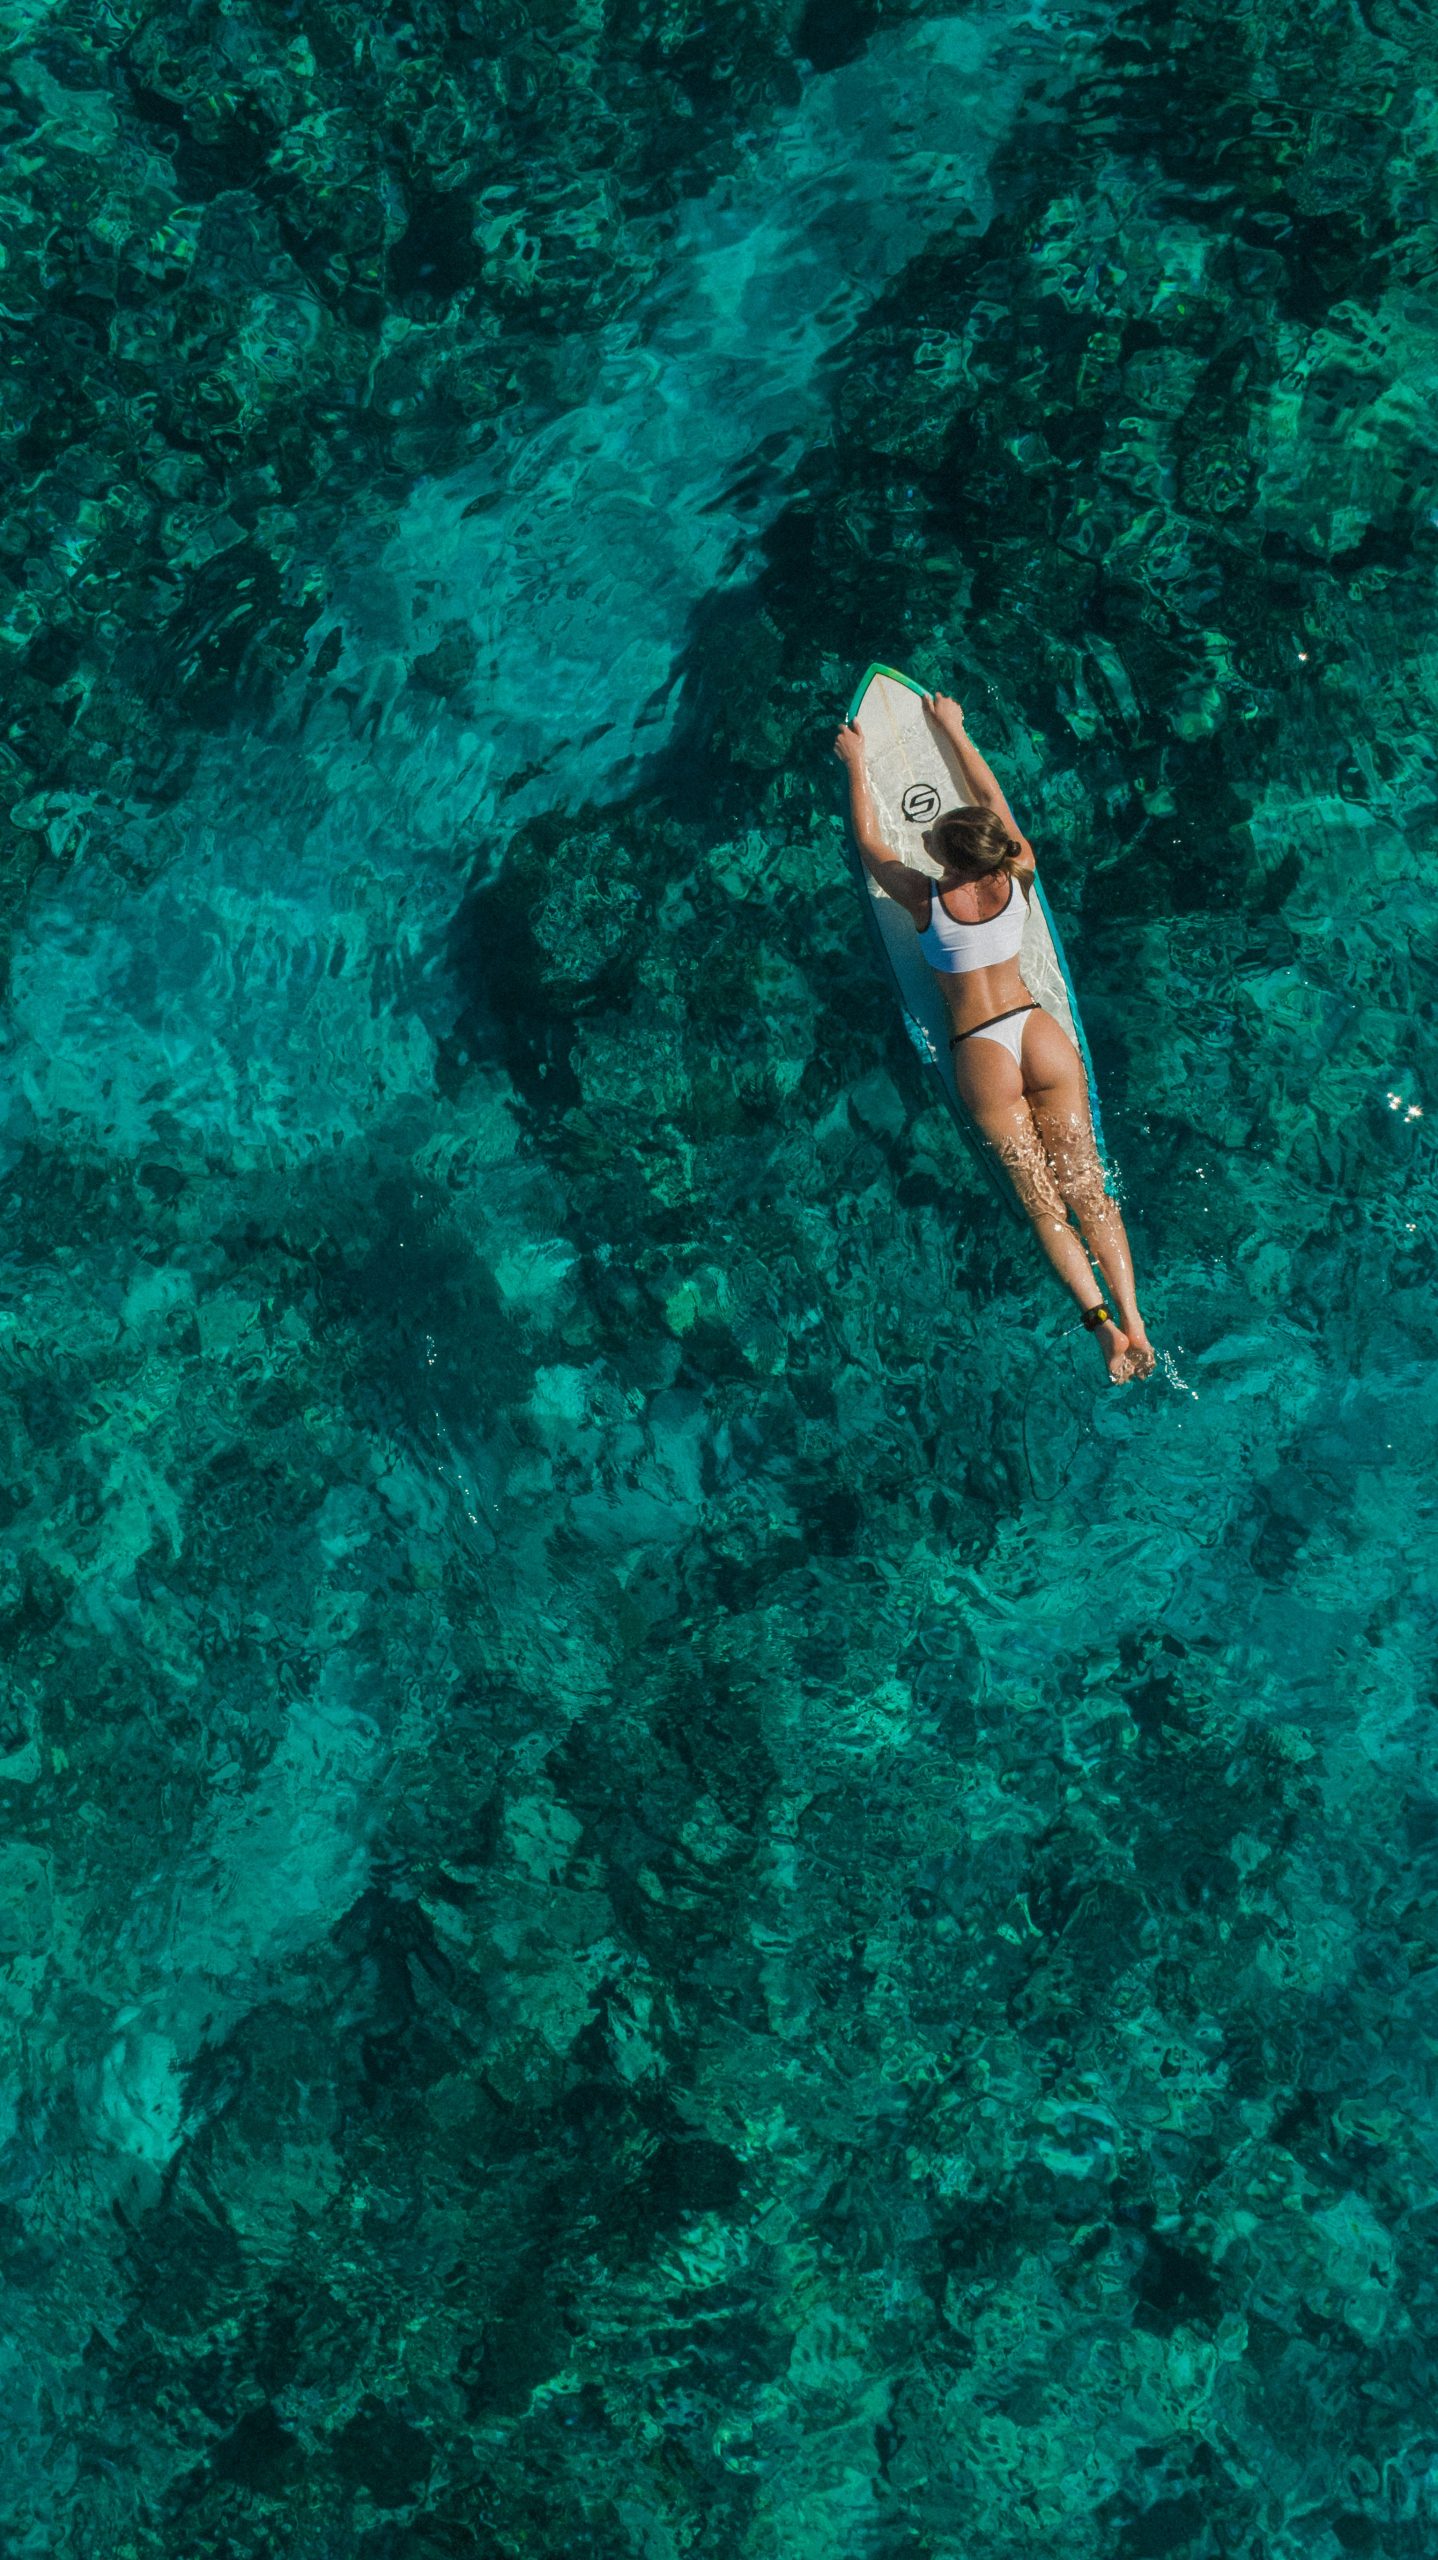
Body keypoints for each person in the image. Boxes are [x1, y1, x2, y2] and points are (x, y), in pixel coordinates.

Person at [835, 690, 1154, 1383]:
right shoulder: (1019, 869)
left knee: (1042, 1204)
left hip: (982, 1050)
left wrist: (858, 764)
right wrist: (955, 728)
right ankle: (1136, 1319)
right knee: (1087, 1188)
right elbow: (990, 795)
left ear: (945, 860)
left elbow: (869, 844)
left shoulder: (923, 897)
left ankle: (1101, 1330)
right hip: (1040, 1034)